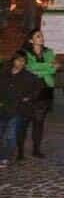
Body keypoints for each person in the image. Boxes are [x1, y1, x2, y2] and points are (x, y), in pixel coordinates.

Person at [0, 51, 41, 167]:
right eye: (18, 60)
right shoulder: (4, 73)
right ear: (13, 60)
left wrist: (29, 98)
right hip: (3, 108)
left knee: (11, 135)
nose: (21, 63)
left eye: (23, 61)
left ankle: (4, 157)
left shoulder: (28, 76)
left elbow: (37, 87)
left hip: (18, 109)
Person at [20, 28, 56, 159]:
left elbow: (53, 69)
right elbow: (30, 67)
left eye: (41, 35)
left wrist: (42, 69)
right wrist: (47, 67)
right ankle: (20, 149)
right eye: (37, 36)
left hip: (45, 89)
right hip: (30, 89)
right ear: (31, 40)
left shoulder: (49, 52)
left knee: (39, 121)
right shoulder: (25, 53)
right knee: (25, 120)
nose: (41, 37)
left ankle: (36, 148)